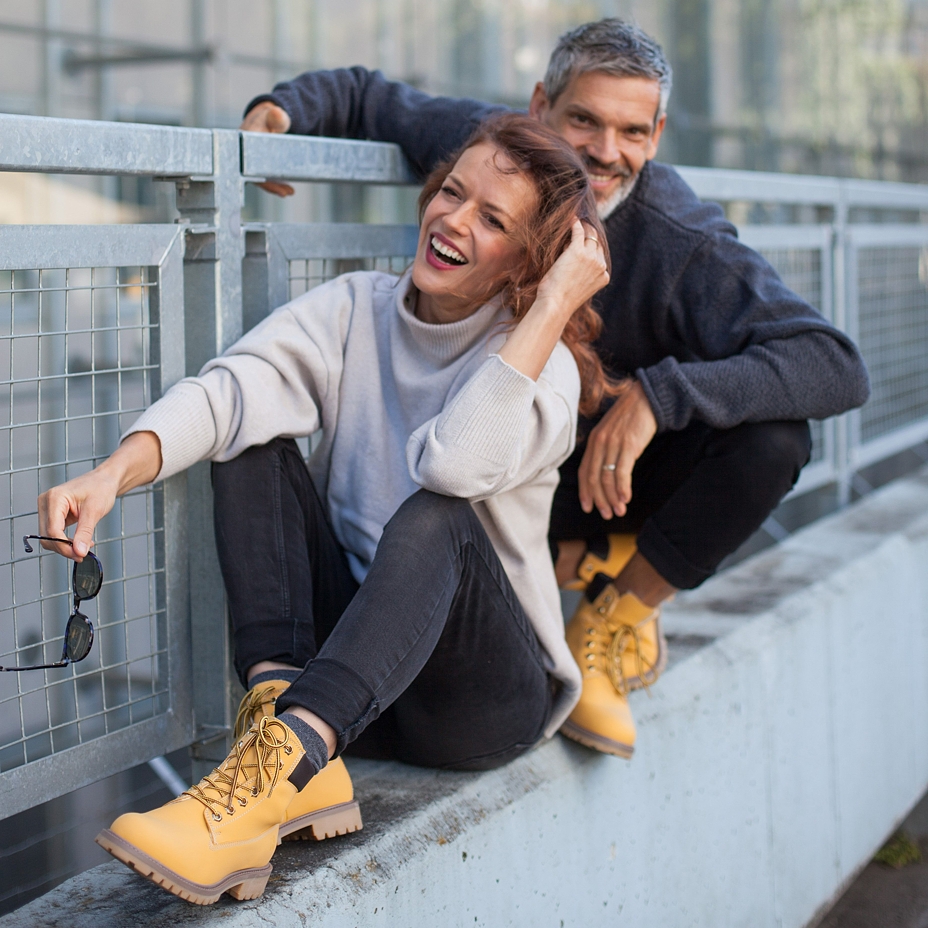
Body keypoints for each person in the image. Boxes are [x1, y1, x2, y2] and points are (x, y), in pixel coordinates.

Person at [239, 17, 871, 759]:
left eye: (632, 131)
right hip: (490, 475)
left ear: (658, 136)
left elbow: (834, 362)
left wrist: (659, 397)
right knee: (296, 450)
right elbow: (370, 97)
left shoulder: (681, 239)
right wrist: (281, 111)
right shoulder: (496, 153)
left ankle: (615, 612)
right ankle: (288, 724)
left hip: (603, 475)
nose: (606, 151)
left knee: (774, 439)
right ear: (540, 106)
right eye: (584, 121)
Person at [35, 114, 611, 905]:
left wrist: (547, 311)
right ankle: (281, 742)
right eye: (451, 193)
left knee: (439, 513)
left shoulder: (543, 373)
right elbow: (230, 392)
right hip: (354, 691)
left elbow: (452, 465)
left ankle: (274, 776)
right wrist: (111, 475)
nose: (453, 220)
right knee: (249, 439)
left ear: (531, 262)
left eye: (493, 220)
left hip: (478, 702)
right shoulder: (355, 309)